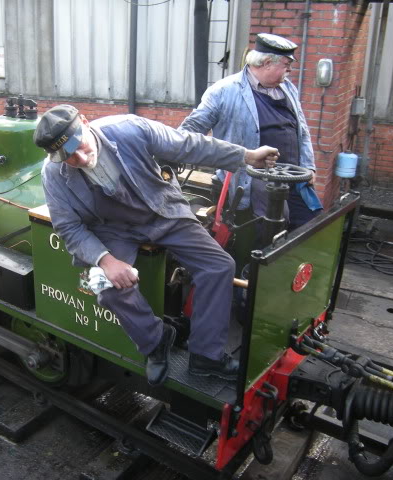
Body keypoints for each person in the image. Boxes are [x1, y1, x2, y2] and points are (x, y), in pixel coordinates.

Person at [34, 105, 279, 386]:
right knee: (108, 290)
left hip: (163, 212)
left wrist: (244, 156)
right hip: (114, 229)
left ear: (86, 123)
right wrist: (105, 260)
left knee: (219, 265)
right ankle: (156, 340)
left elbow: (189, 146)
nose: (79, 157)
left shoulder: (130, 129)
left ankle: (206, 356)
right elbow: (68, 226)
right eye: (68, 157)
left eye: (78, 145)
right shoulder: (53, 174)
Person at [179, 33, 322, 232]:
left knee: (310, 221)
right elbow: (188, 132)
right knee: (274, 228)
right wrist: (171, 149)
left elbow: (302, 130)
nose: (290, 69)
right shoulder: (223, 91)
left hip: (293, 175)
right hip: (254, 178)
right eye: (286, 63)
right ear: (265, 63)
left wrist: (309, 166)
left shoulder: (288, 88)